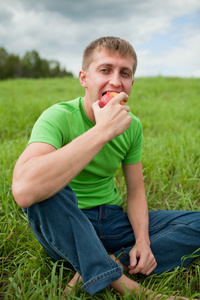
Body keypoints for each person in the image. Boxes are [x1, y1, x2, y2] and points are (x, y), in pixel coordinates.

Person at [12, 36, 200, 298]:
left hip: (111, 221)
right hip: (66, 225)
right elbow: (23, 189)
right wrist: (101, 132)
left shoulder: (132, 126)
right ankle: (130, 288)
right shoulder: (59, 117)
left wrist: (143, 242)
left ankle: (112, 262)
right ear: (84, 78)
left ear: (131, 84)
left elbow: (135, 192)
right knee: (44, 189)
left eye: (125, 73)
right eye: (105, 70)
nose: (115, 80)